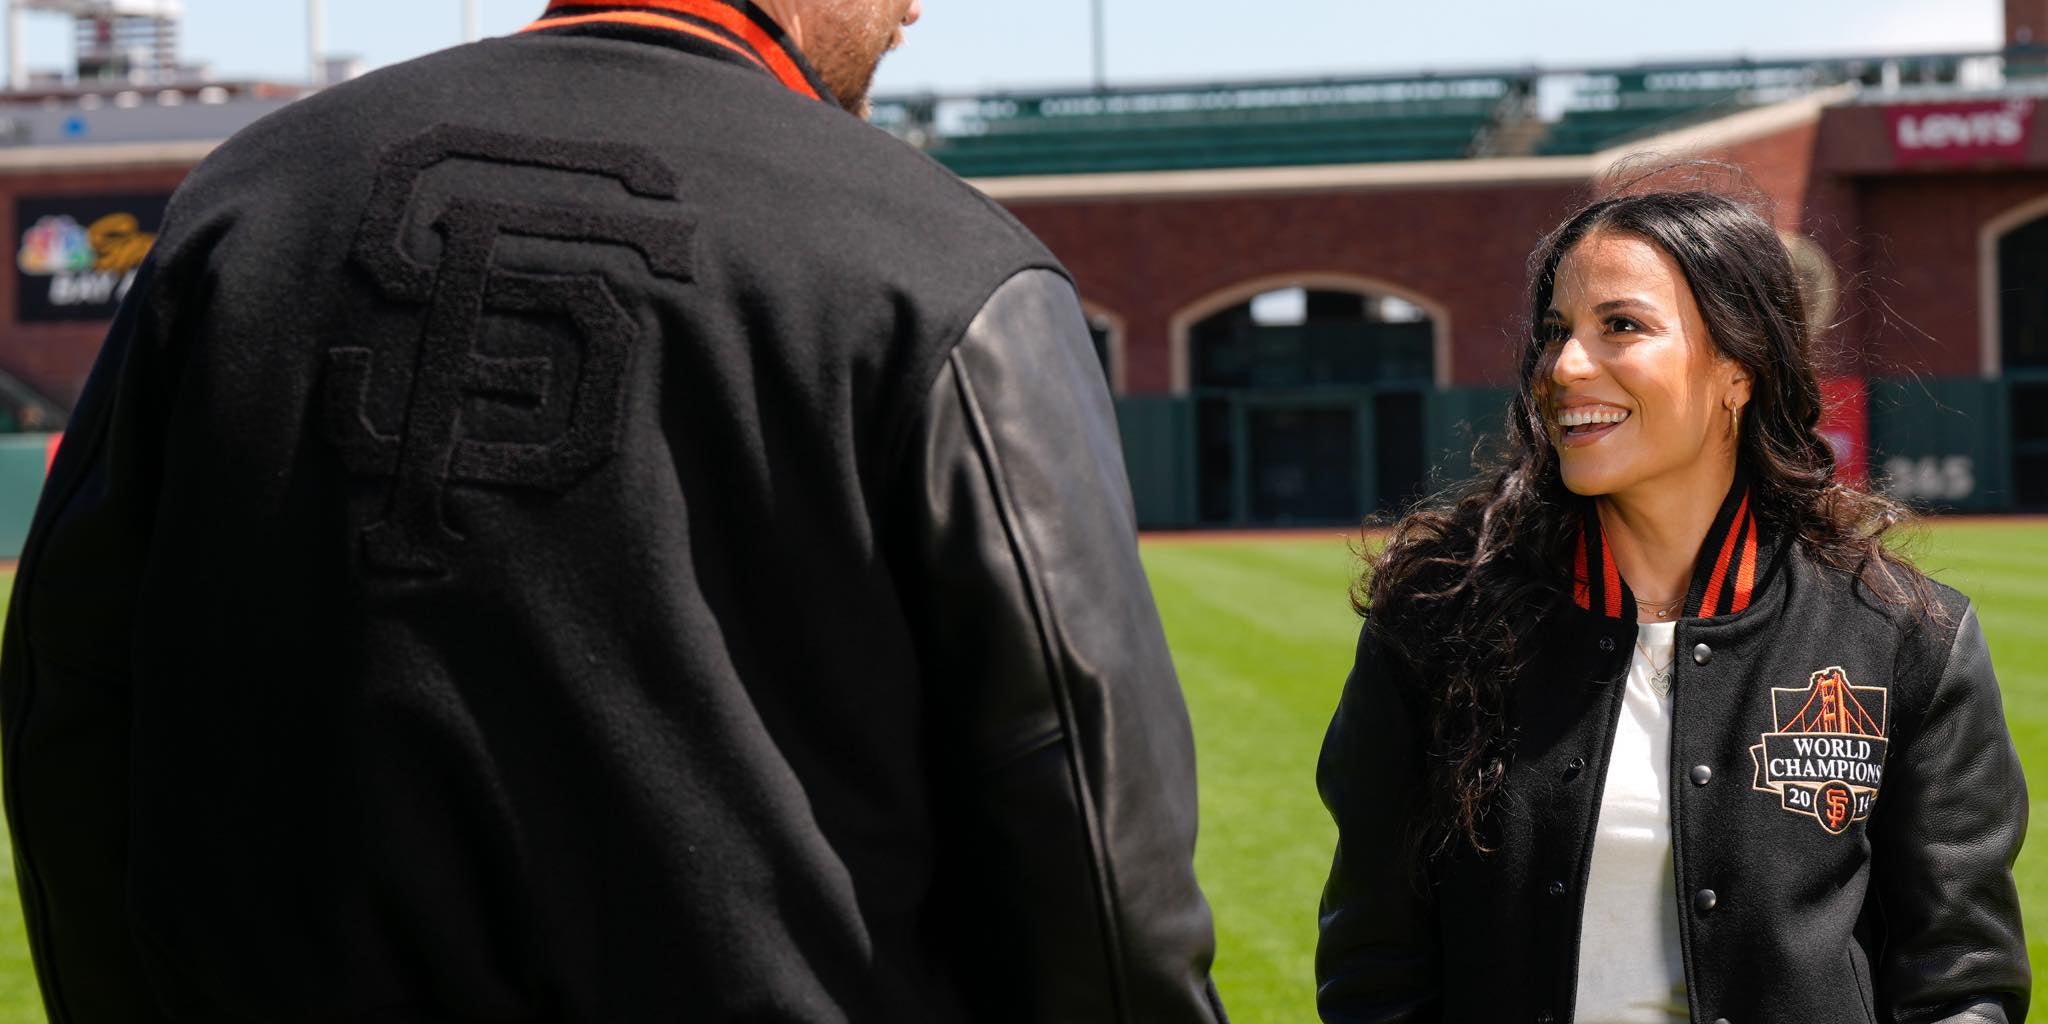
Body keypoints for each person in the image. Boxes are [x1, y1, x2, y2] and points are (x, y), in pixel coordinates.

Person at [0, 1, 1228, 1020]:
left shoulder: (246, 198)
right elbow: (1084, 825)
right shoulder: (943, 260)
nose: (913, 12)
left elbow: (69, 700)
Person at [1315, 187, 2028, 1024]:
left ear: (1739, 368)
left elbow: (1961, 980)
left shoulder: (1906, 638)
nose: (1566, 366)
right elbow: (1375, 970)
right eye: (1555, 331)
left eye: (1621, 325)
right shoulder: (1435, 626)